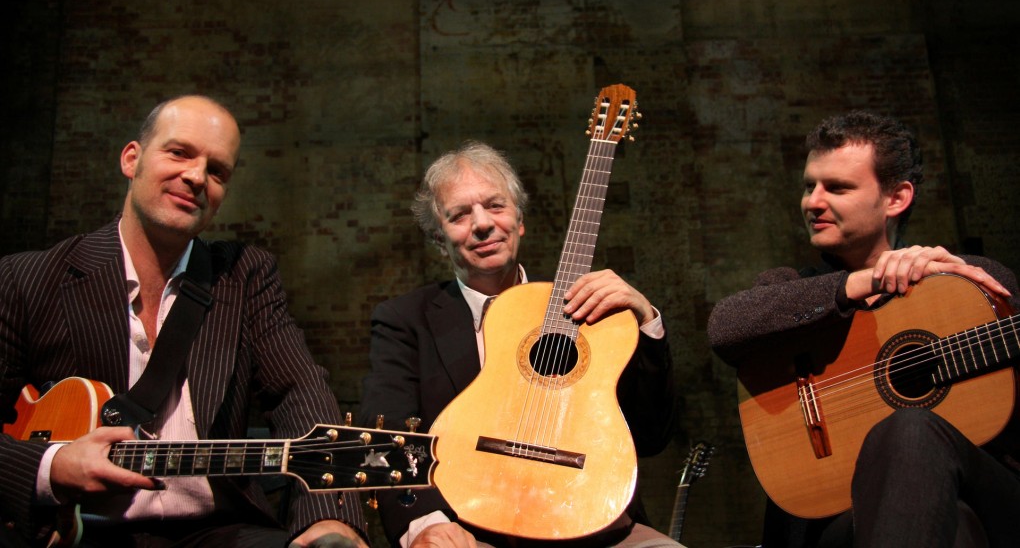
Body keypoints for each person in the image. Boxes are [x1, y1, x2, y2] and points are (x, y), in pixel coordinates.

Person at [0, 95, 367, 548]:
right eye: (179, 153)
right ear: (131, 159)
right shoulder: (27, 278)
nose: (196, 177)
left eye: (217, 171)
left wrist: (328, 521)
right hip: (77, 533)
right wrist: (50, 468)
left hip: (218, 530)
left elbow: (299, 391)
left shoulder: (244, 275)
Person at [707, 110, 1020, 548]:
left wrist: (961, 273)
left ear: (896, 198)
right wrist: (861, 282)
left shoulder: (971, 281)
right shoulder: (793, 288)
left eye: (837, 187)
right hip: (836, 520)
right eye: (809, 186)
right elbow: (726, 325)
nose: (812, 201)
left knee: (911, 428)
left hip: (989, 497)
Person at [359, 141, 680, 548]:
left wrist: (647, 320)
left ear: (519, 220)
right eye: (459, 215)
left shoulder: (587, 313)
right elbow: (386, 437)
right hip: (472, 530)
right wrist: (425, 524)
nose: (482, 224)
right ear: (439, 239)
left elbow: (652, 436)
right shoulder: (405, 321)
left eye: (495, 206)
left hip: (595, 526)